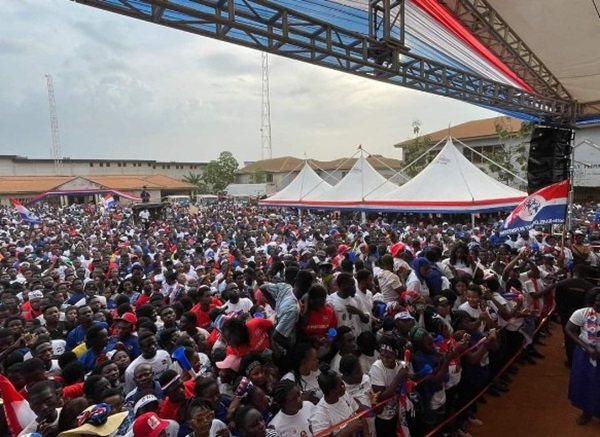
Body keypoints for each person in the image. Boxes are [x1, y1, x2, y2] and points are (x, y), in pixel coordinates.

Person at [565, 288, 600, 425]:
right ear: (593, 300)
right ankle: (587, 413)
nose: (599, 304)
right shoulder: (582, 313)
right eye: (598, 300)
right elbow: (569, 329)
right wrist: (587, 348)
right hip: (586, 355)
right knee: (586, 383)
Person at [308, 363, 367, 437]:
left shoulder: (344, 394)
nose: (344, 386)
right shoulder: (320, 414)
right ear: (332, 392)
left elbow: (361, 416)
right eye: (341, 385)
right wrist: (348, 430)